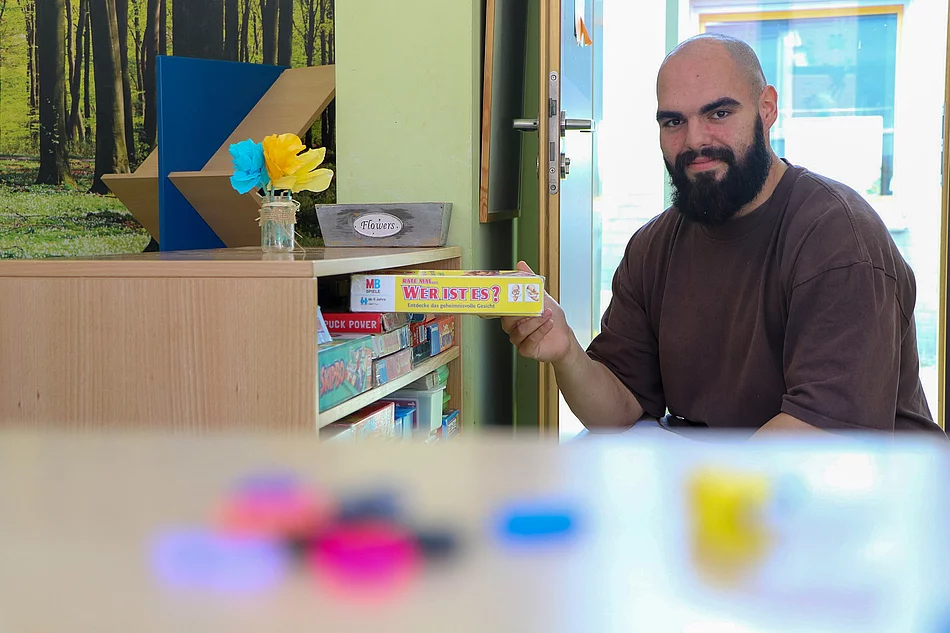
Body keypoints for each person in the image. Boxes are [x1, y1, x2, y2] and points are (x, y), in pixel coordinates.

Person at [503, 34, 944, 436]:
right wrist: (566, 351)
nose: (695, 140)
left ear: (767, 108)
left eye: (719, 113)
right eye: (673, 122)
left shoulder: (838, 238)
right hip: (729, 496)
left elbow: (817, 442)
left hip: (863, 503)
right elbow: (619, 408)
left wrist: (680, 504)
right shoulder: (652, 247)